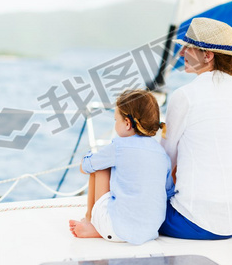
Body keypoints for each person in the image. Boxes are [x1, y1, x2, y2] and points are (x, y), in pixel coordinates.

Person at [159, 17, 232, 240]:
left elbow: (165, 157)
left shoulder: (185, 96)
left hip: (197, 221)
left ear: (208, 56)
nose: (181, 54)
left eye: (188, 48)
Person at [69, 89, 172, 245]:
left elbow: (86, 167)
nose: (115, 123)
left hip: (116, 230)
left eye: (116, 120)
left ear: (127, 123)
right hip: (150, 231)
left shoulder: (119, 146)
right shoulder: (162, 154)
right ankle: (98, 223)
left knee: (100, 166)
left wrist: (89, 157)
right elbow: (168, 190)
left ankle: (91, 221)